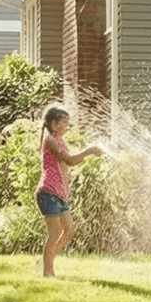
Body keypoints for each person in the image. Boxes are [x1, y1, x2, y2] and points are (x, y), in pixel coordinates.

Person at [37, 105, 105, 277]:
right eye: (64, 122)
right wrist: (88, 151)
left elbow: (68, 163)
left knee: (68, 232)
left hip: (59, 194)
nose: (67, 125)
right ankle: (48, 272)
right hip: (48, 192)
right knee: (55, 234)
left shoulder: (60, 140)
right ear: (54, 124)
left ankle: (47, 258)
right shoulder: (50, 140)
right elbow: (69, 160)